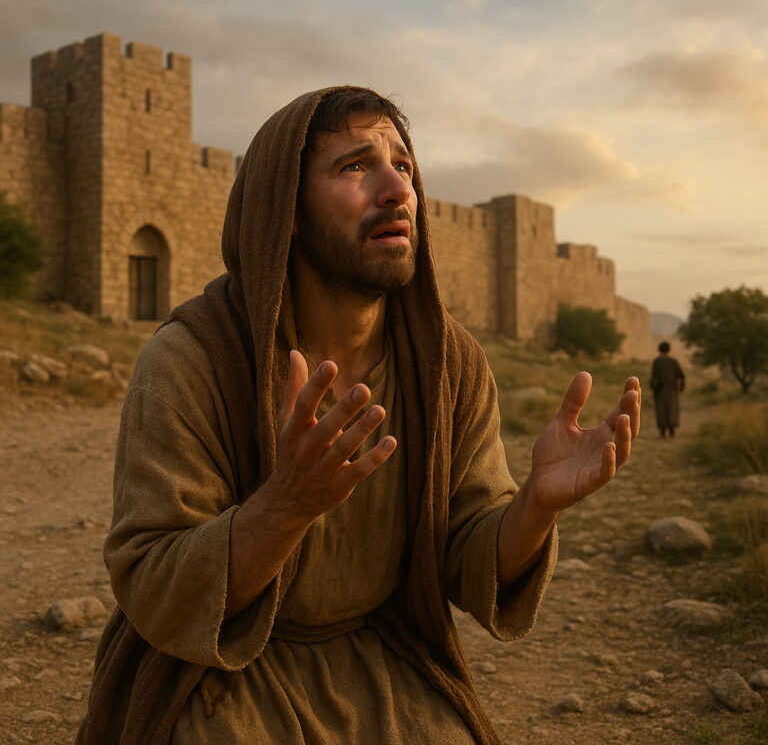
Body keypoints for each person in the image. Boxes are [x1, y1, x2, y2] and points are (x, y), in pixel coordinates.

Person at [77, 86, 640, 744]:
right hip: (219, 671)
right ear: (285, 208)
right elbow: (153, 580)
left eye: (403, 166)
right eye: (354, 166)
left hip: (382, 660)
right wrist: (286, 504)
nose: (396, 189)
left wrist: (535, 508)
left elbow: (467, 556)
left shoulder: (447, 362)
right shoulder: (195, 360)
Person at [650, 341, 685, 438]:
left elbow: (654, 377)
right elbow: (681, 375)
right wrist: (681, 387)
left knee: (661, 409)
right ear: (669, 350)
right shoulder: (673, 361)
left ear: (659, 349)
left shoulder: (657, 361)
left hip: (660, 389)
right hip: (672, 389)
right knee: (672, 409)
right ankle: (672, 431)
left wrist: (653, 387)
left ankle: (662, 433)